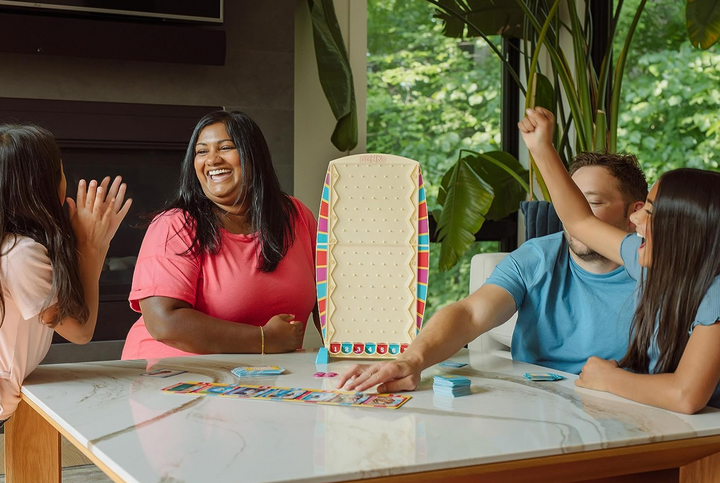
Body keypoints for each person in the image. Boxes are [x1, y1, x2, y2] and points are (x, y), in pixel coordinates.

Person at [337, 149, 647, 394]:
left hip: (623, 406)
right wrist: (411, 361)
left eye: (589, 204)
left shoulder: (659, 274)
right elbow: (470, 313)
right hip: (537, 405)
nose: (573, 217)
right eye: (568, 205)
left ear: (636, 212)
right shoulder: (538, 256)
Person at [517, 107, 720, 414]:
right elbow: (580, 221)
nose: (635, 218)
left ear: (684, 229)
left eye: (649, 211)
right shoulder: (651, 263)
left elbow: (685, 396)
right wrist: (541, 148)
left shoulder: (715, 292)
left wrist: (609, 378)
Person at [121, 111, 319, 360]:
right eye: (202, 151)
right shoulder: (175, 225)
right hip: (174, 375)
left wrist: (353, 355)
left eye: (225, 147)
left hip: (265, 374)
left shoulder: (296, 216)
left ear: (253, 156)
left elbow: (328, 301)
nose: (212, 160)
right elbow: (164, 322)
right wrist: (264, 340)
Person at [0, 124, 131, 422]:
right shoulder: (20, 254)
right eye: (60, 172)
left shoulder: (12, 245)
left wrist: (95, 244)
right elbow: (80, 331)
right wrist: (90, 245)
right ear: (42, 185)